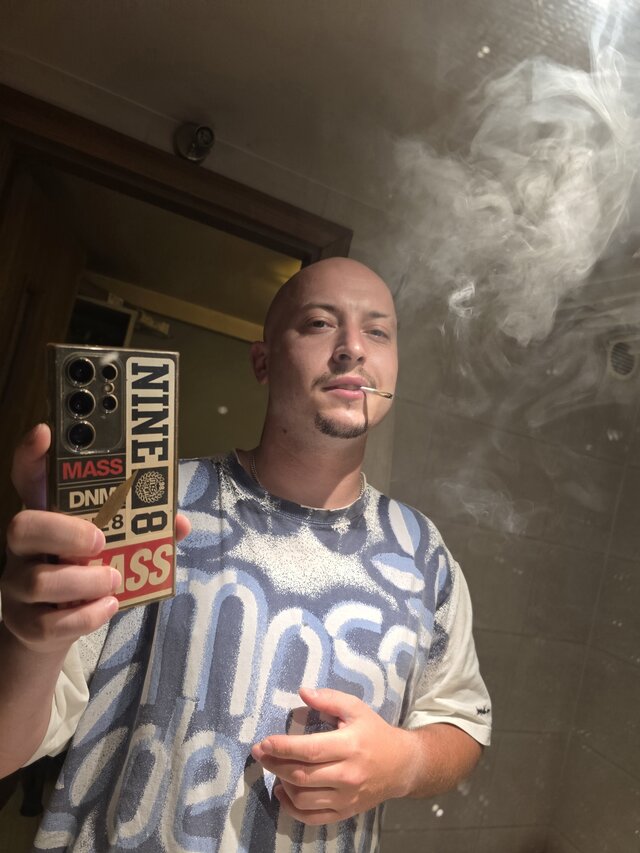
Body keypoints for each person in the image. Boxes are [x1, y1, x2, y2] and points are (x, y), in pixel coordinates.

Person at [0, 258, 491, 852]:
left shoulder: (424, 555)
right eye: (319, 323)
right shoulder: (146, 504)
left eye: (378, 331)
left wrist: (406, 763)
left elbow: (461, 721)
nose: (353, 348)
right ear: (263, 361)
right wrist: (30, 641)